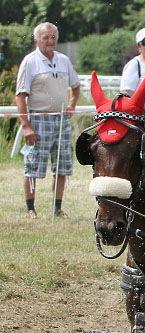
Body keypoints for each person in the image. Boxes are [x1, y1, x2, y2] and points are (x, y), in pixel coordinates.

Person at [15, 22, 80, 219]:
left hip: (61, 119)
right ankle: (30, 208)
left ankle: (57, 207)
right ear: (37, 40)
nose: (50, 41)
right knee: (33, 165)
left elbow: (75, 86)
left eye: (53, 37)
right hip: (38, 119)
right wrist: (26, 126)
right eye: (45, 37)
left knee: (62, 165)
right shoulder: (30, 62)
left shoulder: (63, 60)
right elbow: (20, 96)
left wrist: (71, 106)